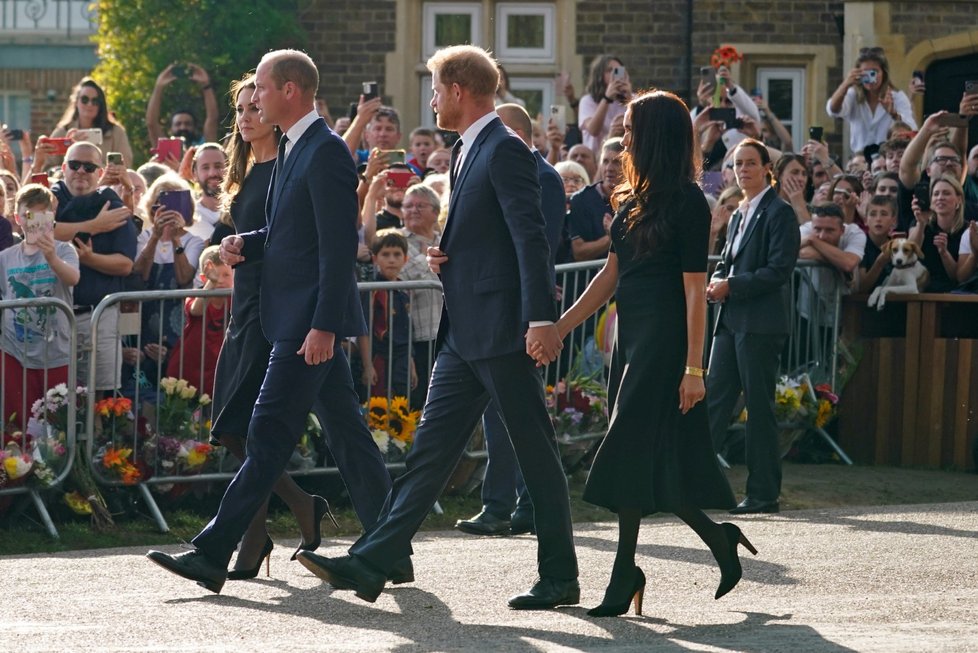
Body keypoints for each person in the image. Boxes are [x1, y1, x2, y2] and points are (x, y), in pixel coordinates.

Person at [295, 44, 579, 609]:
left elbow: (532, 240)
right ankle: (373, 562)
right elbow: (492, 235)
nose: (430, 100)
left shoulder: (505, 149)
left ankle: (560, 577)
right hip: (465, 331)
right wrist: (455, 255)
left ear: (457, 91)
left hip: (502, 330)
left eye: (434, 89)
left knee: (535, 453)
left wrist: (541, 319)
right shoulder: (472, 149)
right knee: (428, 454)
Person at [146, 49, 409, 593]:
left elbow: (337, 249)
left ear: (290, 90)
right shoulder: (294, 147)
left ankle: (212, 553)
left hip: (306, 324)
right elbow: (296, 234)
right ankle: (394, 552)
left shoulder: (326, 151)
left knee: (266, 437)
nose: (254, 98)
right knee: (350, 437)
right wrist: (251, 243)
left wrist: (324, 325)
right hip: (296, 317)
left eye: (261, 89)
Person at [542, 90, 746, 618]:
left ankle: (624, 572)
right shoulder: (631, 201)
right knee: (648, 459)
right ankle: (715, 540)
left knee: (629, 448)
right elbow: (610, 275)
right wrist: (562, 326)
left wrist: (695, 368)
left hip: (667, 344)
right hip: (631, 339)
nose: (623, 137)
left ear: (653, 134)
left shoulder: (688, 202)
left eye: (630, 128)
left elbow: (693, 292)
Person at [454, 102, 566, 538]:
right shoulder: (488, 161)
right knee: (497, 417)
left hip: (519, 313)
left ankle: (525, 504)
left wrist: (534, 316)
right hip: (489, 312)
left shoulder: (545, 177)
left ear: (514, 132)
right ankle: (500, 502)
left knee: (520, 417)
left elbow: (539, 245)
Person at [706, 138, 800, 514]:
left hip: (760, 322)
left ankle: (763, 493)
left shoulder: (779, 212)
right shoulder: (741, 212)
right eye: (738, 164)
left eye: (750, 163)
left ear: (766, 169)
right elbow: (727, 261)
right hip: (730, 319)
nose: (743, 170)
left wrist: (732, 286)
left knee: (758, 409)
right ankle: (694, 484)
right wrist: (716, 281)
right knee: (713, 400)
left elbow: (778, 270)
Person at [51, 142, 137, 395]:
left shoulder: (112, 204)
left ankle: (101, 435)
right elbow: (39, 231)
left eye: (89, 167)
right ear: (64, 168)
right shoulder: (49, 198)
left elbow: (125, 265)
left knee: (100, 395)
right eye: (75, 165)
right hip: (55, 318)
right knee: (55, 394)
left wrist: (86, 258)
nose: (81, 171)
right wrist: (95, 225)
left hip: (99, 315)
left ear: (99, 173)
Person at [0, 184, 80, 427]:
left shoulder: (65, 250)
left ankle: (56, 464)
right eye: (27, 215)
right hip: (14, 350)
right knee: (16, 421)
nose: (33, 222)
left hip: (56, 351)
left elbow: (73, 278)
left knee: (57, 422)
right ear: (17, 218)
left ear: (51, 217)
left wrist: (51, 257)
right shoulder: (5, 257)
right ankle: (15, 463)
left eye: (40, 215)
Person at [165, 245, 231, 396]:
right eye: (215, 275)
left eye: (226, 275)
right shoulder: (196, 296)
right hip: (189, 372)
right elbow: (196, 309)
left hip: (218, 371)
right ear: (203, 278)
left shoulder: (236, 300)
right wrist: (211, 283)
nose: (220, 280)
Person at [826, 47, 917, 156]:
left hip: (886, 156)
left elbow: (911, 129)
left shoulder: (897, 97)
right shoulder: (853, 94)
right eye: (865, 72)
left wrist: (894, 114)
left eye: (874, 72)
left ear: (884, 73)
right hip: (860, 157)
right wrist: (845, 84)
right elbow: (833, 110)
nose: (870, 77)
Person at [358, 230, 416, 399]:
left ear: (405, 259)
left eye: (397, 254)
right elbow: (364, 329)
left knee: (402, 408)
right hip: (380, 357)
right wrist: (368, 366)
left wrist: (411, 364)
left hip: (403, 360)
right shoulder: (372, 290)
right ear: (375, 258)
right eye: (385, 254)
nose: (391, 260)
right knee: (378, 408)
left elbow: (408, 332)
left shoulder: (405, 290)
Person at [51, 78, 134, 168]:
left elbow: (124, 167)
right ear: (76, 102)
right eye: (85, 99)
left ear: (101, 105)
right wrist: (71, 149)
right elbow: (49, 168)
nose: (89, 104)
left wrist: (95, 167)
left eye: (95, 101)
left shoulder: (116, 133)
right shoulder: (62, 132)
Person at [909, 174, 968, 292]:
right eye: (936, 194)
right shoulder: (921, 223)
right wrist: (921, 224)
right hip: (922, 289)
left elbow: (959, 277)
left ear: (959, 199)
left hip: (956, 292)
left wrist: (944, 253)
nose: (940, 197)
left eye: (946, 193)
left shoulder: (967, 230)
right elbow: (909, 254)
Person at [145, 63, 219, 147]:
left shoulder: (204, 147)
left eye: (188, 124)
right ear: (171, 128)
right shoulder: (165, 149)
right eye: (178, 124)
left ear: (194, 127)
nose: (183, 127)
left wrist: (206, 85)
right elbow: (151, 123)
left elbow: (212, 119)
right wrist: (159, 87)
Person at [578, 55, 632, 155]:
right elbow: (593, 130)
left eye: (618, 70)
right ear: (599, 75)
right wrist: (607, 98)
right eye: (609, 70)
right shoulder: (588, 101)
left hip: (626, 155)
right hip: (596, 158)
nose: (614, 74)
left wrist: (629, 98)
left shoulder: (633, 99)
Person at [858, 194, 900, 293]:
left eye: (884, 214)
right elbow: (861, 288)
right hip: (866, 304)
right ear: (865, 220)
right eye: (873, 214)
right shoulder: (861, 244)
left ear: (894, 221)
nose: (878, 219)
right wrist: (879, 264)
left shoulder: (897, 246)